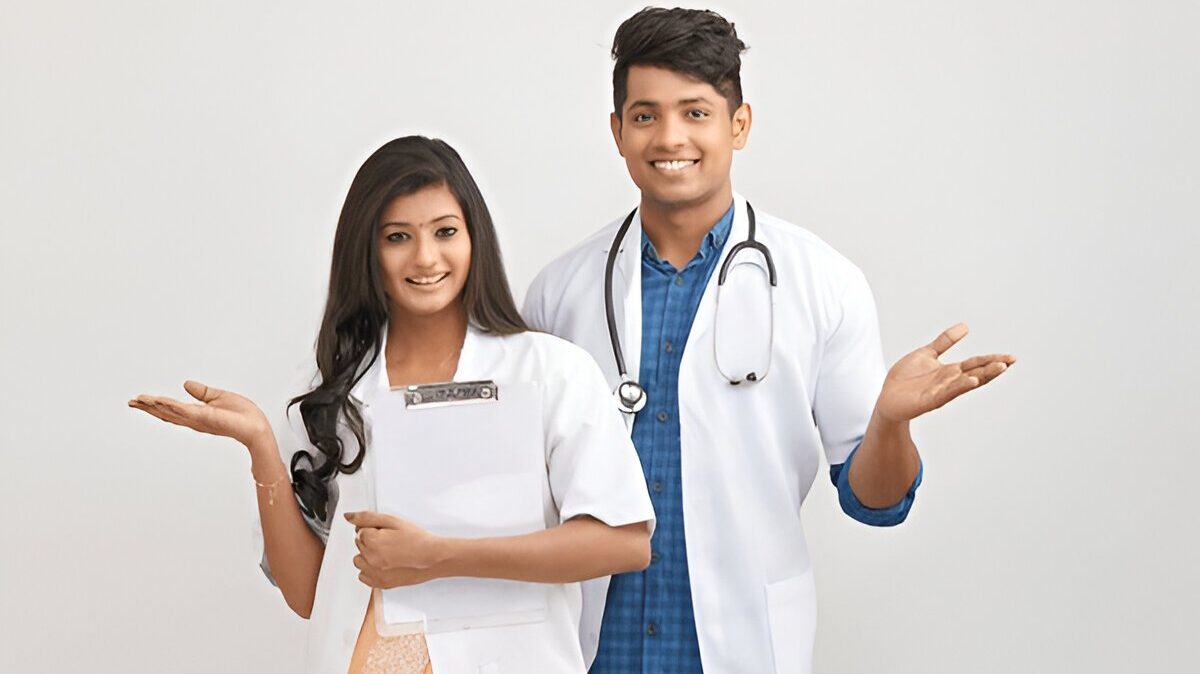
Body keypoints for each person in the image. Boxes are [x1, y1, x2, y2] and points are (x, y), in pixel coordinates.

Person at [522, 8, 1016, 674]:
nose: (670, 137)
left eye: (695, 112)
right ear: (617, 132)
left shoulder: (823, 283)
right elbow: (524, 493)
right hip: (589, 651)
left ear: (739, 124)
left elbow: (875, 502)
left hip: (742, 648)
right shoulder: (558, 294)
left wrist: (888, 423)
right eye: (645, 115)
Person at [129, 136, 655, 674]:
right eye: (398, 237)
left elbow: (623, 542)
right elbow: (311, 594)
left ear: (474, 236)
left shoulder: (549, 372)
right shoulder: (331, 393)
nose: (425, 258)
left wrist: (441, 557)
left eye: (445, 232)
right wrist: (261, 445)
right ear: (368, 251)